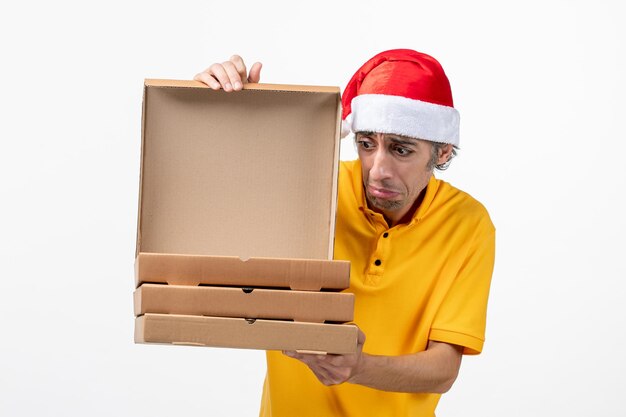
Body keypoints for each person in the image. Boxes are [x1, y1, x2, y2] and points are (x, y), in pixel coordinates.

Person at [195, 49, 495, 417]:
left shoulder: (469, 224)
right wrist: (231, 118)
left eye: (401, 149)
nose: (377, 170)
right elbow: (213, 223)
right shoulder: (313, 185)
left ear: (443, 152)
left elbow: (443, 370)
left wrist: (358, 366)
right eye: (367, 144)